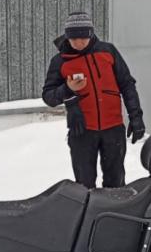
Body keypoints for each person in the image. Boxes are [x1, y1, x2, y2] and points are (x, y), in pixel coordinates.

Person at [42, 11, 145, 188]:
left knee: (115, 182)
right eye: (74, 39)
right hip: (82, 131)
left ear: (91, 33)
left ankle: (114, 214)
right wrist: (68, 89)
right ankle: (89, 215)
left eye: (83, 38)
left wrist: (136, 116)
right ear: (67, 37)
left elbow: (127, 84)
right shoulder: (60, 61)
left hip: (113, 128)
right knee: (84, 186)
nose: (79, 43)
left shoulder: (108, 51)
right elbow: (48, 97)